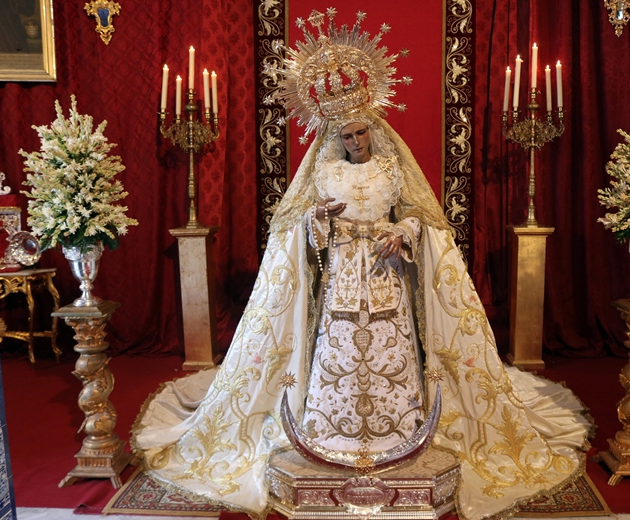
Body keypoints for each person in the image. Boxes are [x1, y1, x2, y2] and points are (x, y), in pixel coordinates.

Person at [132, 9, 591, 520]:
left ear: (372, 128)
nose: (355, 142)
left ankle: (402, 425)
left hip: (387, 272)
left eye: (361, 133)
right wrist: (318, 220)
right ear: (335, 136)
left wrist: (403, 233)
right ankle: (331, 427)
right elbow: (299, 230)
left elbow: (419, 217)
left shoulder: (393, 168)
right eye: (347, 136)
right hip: (342, 278)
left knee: (393, 344)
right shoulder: (325, 172)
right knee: (339, 345)